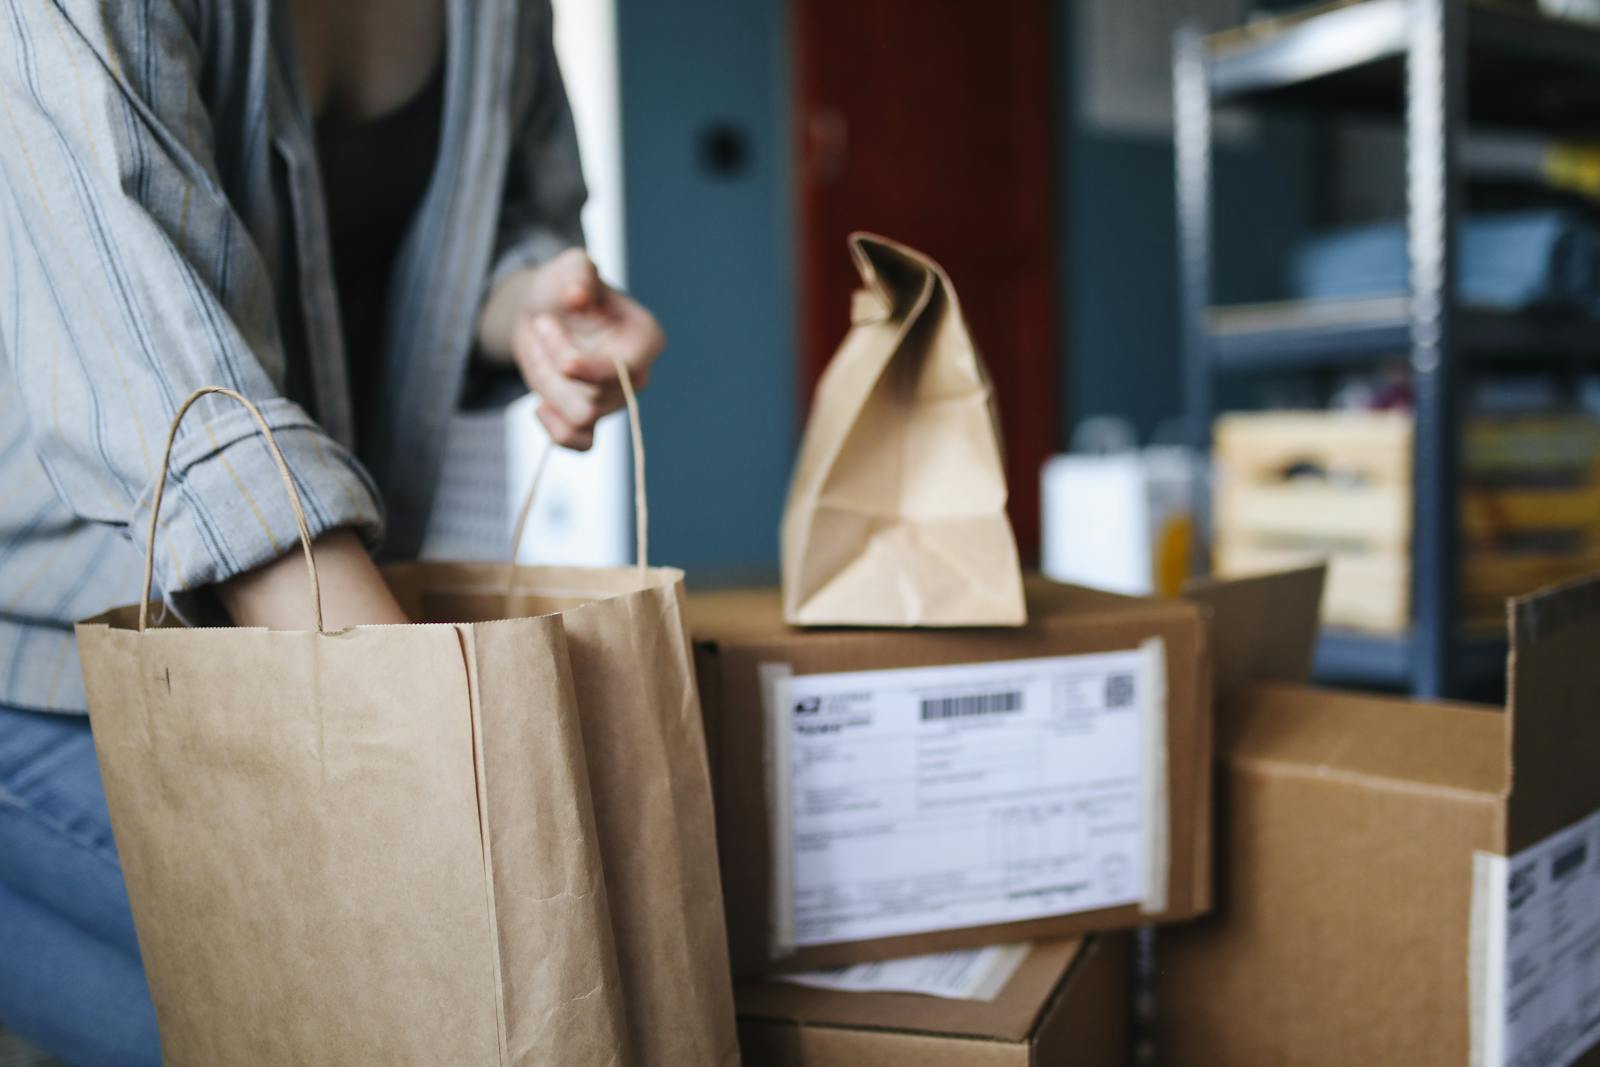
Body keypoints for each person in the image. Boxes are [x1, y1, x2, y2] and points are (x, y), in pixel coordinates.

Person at [0, 1, 663, 1062]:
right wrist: (428, 768)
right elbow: (177, 395)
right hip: (42, 661)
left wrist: (528, 303)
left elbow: (497, 217)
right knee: (398, 1019)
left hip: (287, 660)